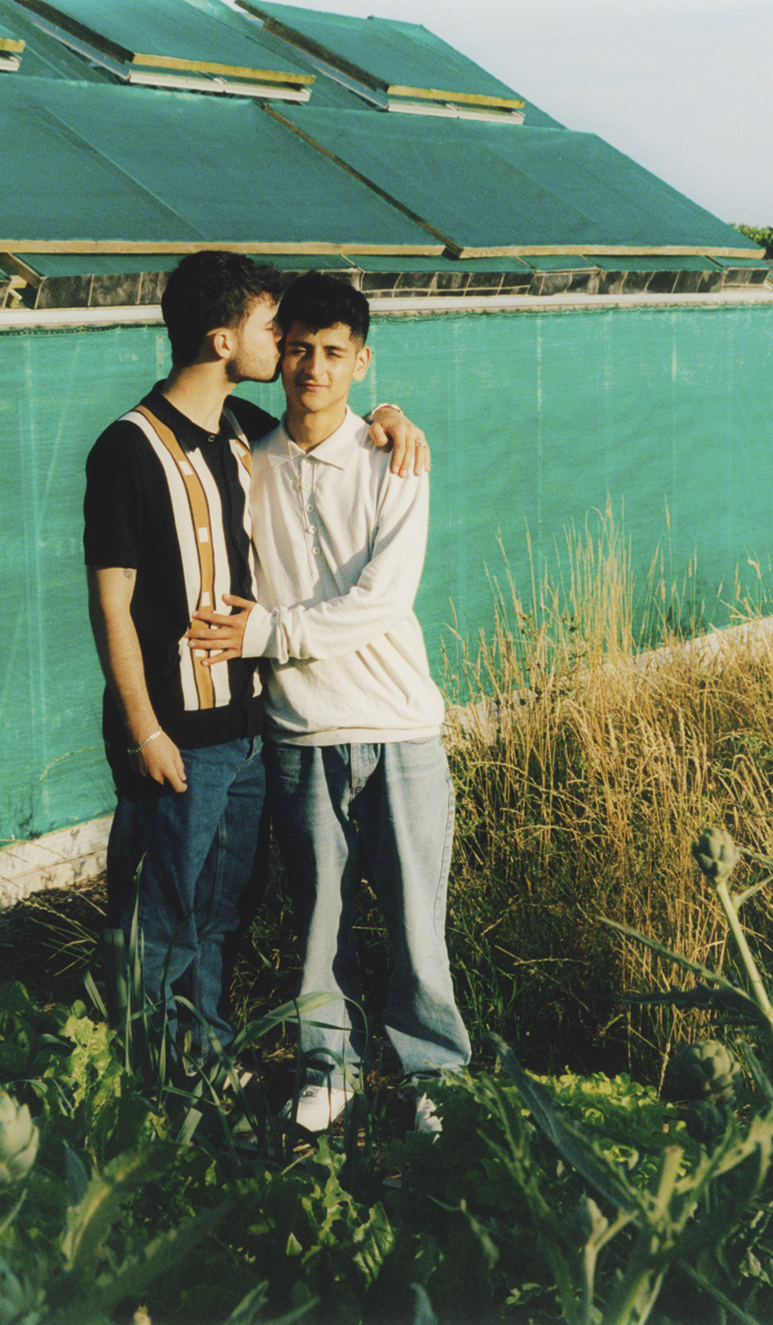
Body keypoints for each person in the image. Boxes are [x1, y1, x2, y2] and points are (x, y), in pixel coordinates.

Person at [83, 252, 428, 1067]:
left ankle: (202, 1067)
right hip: (172, 731)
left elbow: (328, 428)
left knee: (220, 912)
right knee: (158, 918)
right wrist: (142, 728)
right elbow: (111, 602)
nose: (288, 342)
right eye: (273, 329)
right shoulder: (127, 449)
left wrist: (389, 413)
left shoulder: (240, 435)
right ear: (219, 339)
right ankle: (148, 1087)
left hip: (244, 731)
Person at [187, 271, 470, 1129]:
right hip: (299, 732)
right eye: (300, 348)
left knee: (418, 921)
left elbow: (382, 600)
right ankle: (328, 1069)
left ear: (362, 362)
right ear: (279, 356)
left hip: (399, 728)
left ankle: (433, 1076)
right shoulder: (248, 459)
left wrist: (265, 633)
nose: (313, 366)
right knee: (318, 920)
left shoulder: (395, 458)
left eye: (334, 353)